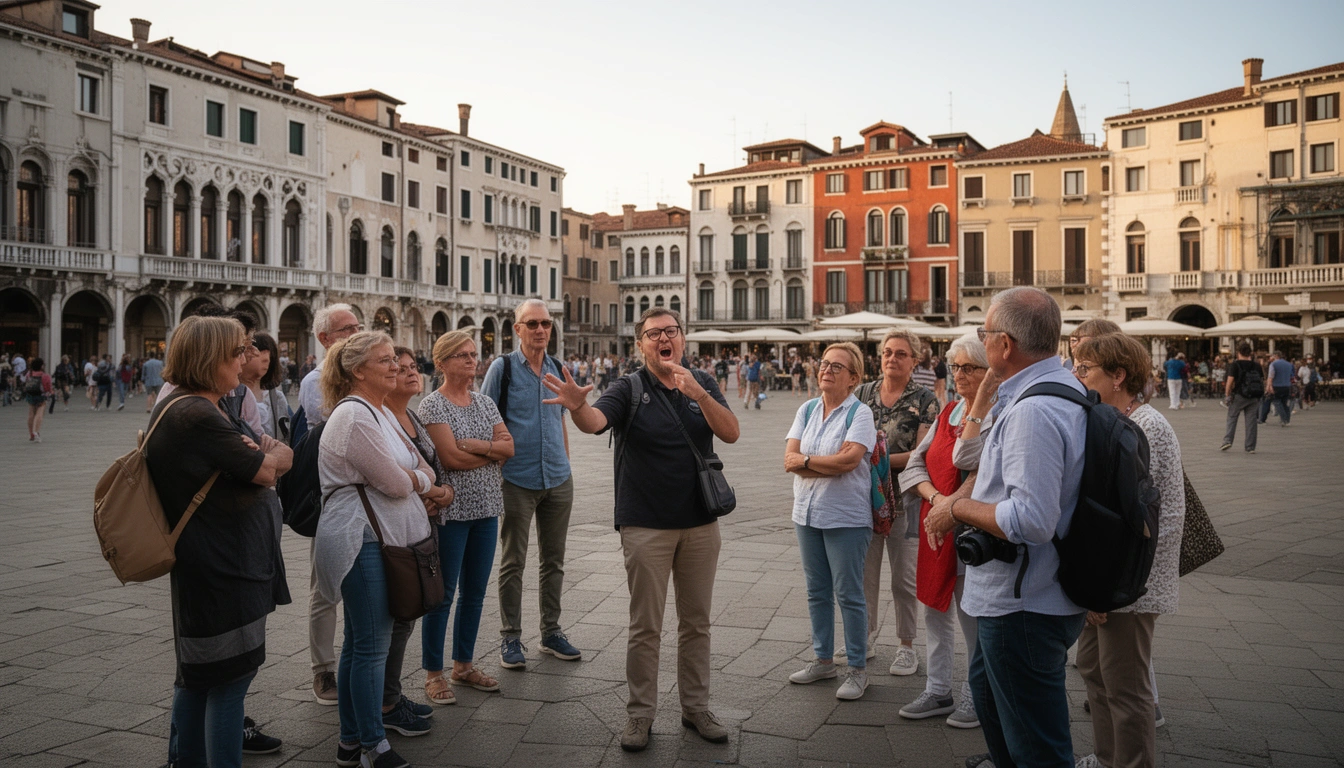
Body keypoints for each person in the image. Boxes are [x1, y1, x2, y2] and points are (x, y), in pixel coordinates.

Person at [543, 308, 739, 752]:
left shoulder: (702, 383)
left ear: (682, 339)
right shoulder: (627, 387)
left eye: (671, 331)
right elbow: (595, 423)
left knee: (696, 623)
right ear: (641, 345)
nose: (663, 338)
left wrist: (700, 394)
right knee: (645, 626)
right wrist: (577, 406)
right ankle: (639, 715)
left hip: (700, 523)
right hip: (645, 524)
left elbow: (730, 434)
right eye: (653, 334)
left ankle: (696, 708)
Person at [924, 287, 1087, 768]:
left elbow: (1031, 520)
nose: (981, 343)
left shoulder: (1034, 411)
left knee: (1037, 745)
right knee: (996, 708)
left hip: (1023, 605)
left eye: (984, 334)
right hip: (1026, 596)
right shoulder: (1057, 391)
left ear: (1005, 345)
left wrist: (956, 510)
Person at [145, 315, 293, 768]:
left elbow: (273, 450)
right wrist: (268, 457)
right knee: (229, 682)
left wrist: (268, 453)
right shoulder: (198, 415)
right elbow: (270, 466)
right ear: (212, 358)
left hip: (217, 563)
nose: (245, 360)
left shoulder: (203, 408)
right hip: (223, 567)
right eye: (237, 352)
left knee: (199, 677)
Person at [315, 331, 449, 768]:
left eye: (395, 358)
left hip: (383, 536)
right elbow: (394, 481)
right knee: (370, 647)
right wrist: (416, 480)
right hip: (363, 539)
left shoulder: (381, 413)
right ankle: (374, 745)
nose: (397, 366)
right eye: (386, 361)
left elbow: (421, 462)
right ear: (358, 371)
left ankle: (351, 742)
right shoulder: (354, 417)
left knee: (360, 644)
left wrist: (412, 476)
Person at [1071, 333, 1185, 768]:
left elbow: (1132, 517)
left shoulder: (1146, 426)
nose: (1077, 376)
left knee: (1126, 686)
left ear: (1117, 376)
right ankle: (1106, 757)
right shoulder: (1110, 417)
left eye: (1085, 369)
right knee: (1096, 673)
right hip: (1107, 580)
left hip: (1129, 583)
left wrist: (1104, 590)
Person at [896, 335, 992, 729]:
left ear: (990, 373)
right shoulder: (949, 411)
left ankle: (975, 695)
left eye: (970, 367)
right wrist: (938, 501)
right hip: (935, 527)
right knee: (935, 610)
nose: (960, 374)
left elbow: (975, 467)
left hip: (973, 533)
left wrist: (951, 508)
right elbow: (915, 465)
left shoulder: (997, 416)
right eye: (956, 367)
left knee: (973, 619)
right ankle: (938, 689)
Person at [481, 300, 581, 670]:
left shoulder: (557, 368)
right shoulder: (502, 368)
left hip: (557, 477)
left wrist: (566, 464)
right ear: (517, 329)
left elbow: (561, 420)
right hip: (516, 479)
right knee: (513, 561)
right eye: (533, 323)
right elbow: (485, 416)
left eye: (546, 324)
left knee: (554, 561)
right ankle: (510, 637)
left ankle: (551, 632)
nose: (541, 330)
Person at [418, 331, 512, 704]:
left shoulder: (485, 402)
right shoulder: (432, 407)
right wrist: (492, 453)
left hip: (488, 509)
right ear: (441, 362)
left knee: (474, 594)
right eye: (461, 355)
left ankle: (463, 665)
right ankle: (433, 673)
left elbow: (510, 447)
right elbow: (450, 460)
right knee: (442, 596)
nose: (472, 360)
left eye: (473, 354)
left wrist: (478, 446)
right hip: (452, 513)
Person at [784, 342, 877, 700]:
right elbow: (787, 459)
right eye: (824, 364)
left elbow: (849, 462)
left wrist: (806, 462)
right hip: (805, 513)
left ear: (853, 378)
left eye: (837, 366)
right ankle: (823, 660)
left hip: (846, 516)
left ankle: (857, 669)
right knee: (816, 591)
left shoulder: (860, 414)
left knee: (849, 594)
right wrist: (816, 461)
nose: (827, 370)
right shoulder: (807, 409)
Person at [857, 329, 939, 676]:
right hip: (863, 498)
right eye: (888, 352)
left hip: (905, 499)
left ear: (915, 360)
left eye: (901, 354)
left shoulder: (925, 400)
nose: (892, 358)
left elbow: (920, 455)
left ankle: (906, 645)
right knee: (865, 576)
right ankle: (865, 638)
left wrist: (869, 457)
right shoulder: (863, 393)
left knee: (904, 580)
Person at [300, 303, 364, 705]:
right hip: (332, 497)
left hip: (370, 497)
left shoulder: (369, 373)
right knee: (324, 588)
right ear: (324, 339)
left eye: (358, 327)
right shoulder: (314, 379)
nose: (354, 334)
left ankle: (359, 663)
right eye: (346, 330)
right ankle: (322, 670)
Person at [380, 346, 444, 731]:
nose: (408, 373)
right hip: (397, 533)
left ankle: (390, 695)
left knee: (406, 618)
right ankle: (385, 706)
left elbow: (431, 468)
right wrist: (434, 492)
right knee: (394, 618)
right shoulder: (383, 420)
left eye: (411, 367)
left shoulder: (413, 418)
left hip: (421, 528)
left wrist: (438, 491)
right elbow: (398, 480)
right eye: (397, 368)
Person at [241, 333, 292, 442]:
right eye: (259, 352)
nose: (266, 359)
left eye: (269, 355)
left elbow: (284, 432)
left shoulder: (276, 397)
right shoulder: (232, 394)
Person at [1222, 343, 1262, 453]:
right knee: (1251, 422)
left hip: (1239, 395)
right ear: (1250, 353)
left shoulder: (1235, 365)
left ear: (1238, 353)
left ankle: (1228, 441)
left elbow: (1230, 381)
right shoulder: (1256, 365)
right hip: (1254, 396)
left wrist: (1227, 394)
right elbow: (1262, 380)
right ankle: (1250, 447)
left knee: (1232, 417)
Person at [1260, 350, 1293, 426]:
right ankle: (1287, 420)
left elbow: (1271, 376)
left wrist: (1269, 386)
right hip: (1287, 386)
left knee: (1277, 403)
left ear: (1276, 356)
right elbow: (1291, 376)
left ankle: (1283, 419)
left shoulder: (1273, 364)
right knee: (1284, 404)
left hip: (1277, 386)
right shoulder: (1289, 364)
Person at [23, 357, 52, 442]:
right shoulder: (45, 376)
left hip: (30, 395)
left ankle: (31, 433)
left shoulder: (29, 374)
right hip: (41, 396)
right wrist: (50, 393)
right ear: (41, 366)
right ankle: (36, 431)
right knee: (39, 413)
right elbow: (48, 388)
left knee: (31, 413)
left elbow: (26, 383)